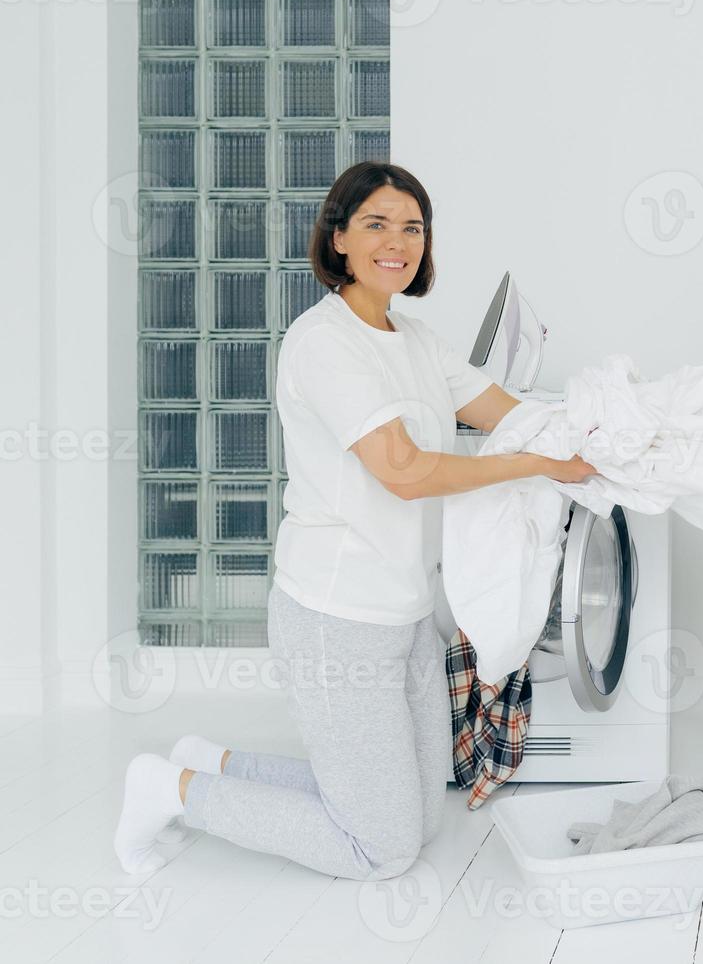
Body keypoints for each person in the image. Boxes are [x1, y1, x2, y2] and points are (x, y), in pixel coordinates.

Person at [113, 163, 595, 879]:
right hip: (335, 615)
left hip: (401, 612)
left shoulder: (418, 340)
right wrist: (537, 467)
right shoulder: (324, 342)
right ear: (338, 238)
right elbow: (403, 470)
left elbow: (515, 414)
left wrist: (616, 429)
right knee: (384, 849)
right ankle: (170, 789)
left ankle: (209, 762)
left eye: (412, 227)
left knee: (423, 809)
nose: (396, 241)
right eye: (376, 224)